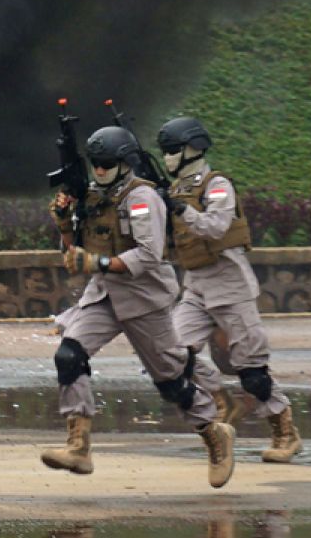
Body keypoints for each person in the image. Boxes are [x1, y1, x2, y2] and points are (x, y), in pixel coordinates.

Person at [42, 125, 236, 488]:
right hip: (103, 296)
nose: (99, 170)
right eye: (95, 163)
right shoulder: (92, 196)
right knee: (69, 355)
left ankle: (214, 433)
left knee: (171, 382)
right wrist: (64, 224)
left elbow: (148, 254)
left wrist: (95, 264)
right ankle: (78, 446)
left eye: (106, 163)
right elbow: (73, 253)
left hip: (144, 297)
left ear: (123, 162)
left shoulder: (142, 198)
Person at [157, 117, 302, 463]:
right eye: (164, 152)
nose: (167, 158)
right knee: (171, 352)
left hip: (231, 287)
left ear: (193, 149)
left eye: (173, 150)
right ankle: (220, 398)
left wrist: (180, 209)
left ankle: (285, 431)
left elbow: (217, 226)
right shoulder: (174, 190)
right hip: (195, 286)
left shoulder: (216, 185)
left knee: (251, 371)